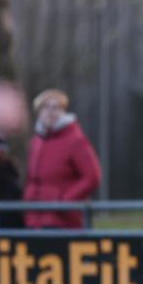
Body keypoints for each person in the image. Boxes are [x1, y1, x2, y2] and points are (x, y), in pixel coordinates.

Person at [23, 89, 101, 229]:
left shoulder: (75, 140)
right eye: (46, 107)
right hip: (34, 218)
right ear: (38, 112)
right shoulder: (36, 141)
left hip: (63, 221)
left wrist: (64, 200)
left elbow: (92, 177)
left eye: (56, 107)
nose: (50, 112)